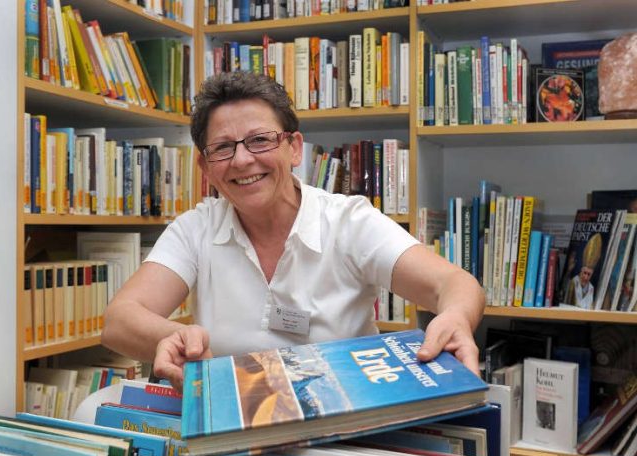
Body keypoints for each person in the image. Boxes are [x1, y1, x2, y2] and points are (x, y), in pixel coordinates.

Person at [101, 71, 485, 388]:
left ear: (294, 148)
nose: (242, 160)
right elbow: (120, 319)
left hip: (343, 418)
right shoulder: (196, 228)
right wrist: (171, 336)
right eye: (222, 148)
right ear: (206, 169)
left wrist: (455, 317)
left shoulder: (348, 221)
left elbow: (453, 284)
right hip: (233, 416)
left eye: (260, 140)